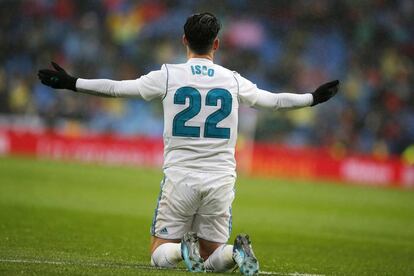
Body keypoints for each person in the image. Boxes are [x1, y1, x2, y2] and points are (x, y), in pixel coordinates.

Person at [38, 12, 339, 276]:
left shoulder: (168, 75)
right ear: (216, 44)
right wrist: (312, 98)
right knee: (212, 255)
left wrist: (72, 82)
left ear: (184, 40)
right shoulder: (232, 80)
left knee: (160, 254)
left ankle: (182, 247)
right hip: (220, 181)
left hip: (180, 178)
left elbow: (116, 89)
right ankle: (234, 252)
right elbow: (273, 101)